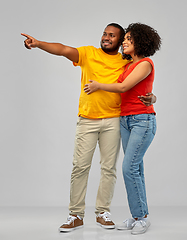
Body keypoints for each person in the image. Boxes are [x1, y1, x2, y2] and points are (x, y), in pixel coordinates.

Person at [21, 23, 156, 232]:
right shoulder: (88, 53)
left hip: (114, 120)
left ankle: (103, 212)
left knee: (109, 169)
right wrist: (39, 44)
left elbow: (138, 84)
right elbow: (63, 49)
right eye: (105, 33)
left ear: (120, 41)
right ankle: (75, 215)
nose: (107, 37)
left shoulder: (126, 61)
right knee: (80, 167)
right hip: (87, 119)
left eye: (113, 36)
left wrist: (153, 97)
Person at [84, 23, 161, 235]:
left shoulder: (145, 63)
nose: (124, 42)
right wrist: (153, 96)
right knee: (136, 169)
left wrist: (98, 85)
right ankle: (140, 216)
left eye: (129, 39)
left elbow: (124, 87)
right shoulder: (127, 66)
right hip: (125, 120)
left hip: (142, 121)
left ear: (140, 42)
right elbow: (140, 90)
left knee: (129, 168)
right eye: (124, 38)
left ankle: (140, 218)